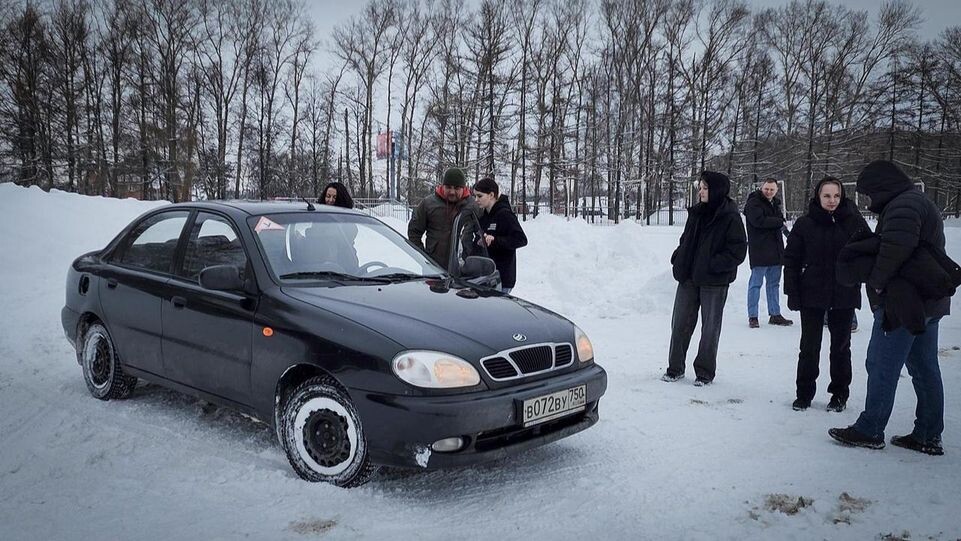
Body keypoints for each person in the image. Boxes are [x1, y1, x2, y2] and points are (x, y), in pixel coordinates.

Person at [829, 160, 951, 455]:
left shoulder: (903, 206)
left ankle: (870, 429)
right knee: (924, 368)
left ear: (882, 186)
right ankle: (927, 434)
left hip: (905, 301)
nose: (869, 200)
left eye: (869, 193)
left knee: (881, 364)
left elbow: (897, 249)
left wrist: (879, 282)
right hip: (927, 301)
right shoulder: (915, 201)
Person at [784, 177, 869, 413]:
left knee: (840, 347)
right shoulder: (804, 224)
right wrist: (792, 291)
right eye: (827, 196)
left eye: (836, 196)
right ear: (818, 197)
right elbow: (790, 260)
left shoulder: (854, 223)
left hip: (844, 294)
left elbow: (868, 253)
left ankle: (839, 394)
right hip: (812, 293)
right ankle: (804, 393)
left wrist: (855, 277)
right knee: (809, 346)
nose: (832, 201)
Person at [663, 171, 747, 386]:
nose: (700, 191)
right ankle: (675, 368)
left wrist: (714, 265)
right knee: (680, 324)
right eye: (700, 187)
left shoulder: (730, 216)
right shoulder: (696, 213)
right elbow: (685, 240)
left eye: (705, 188)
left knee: (710, 329)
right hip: (688, 277)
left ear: (716, 190)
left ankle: (704, 372)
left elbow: (737, 250)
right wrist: (678, 256)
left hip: (714, 282)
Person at [743, 178, 793, 328]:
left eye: (772, 189)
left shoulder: (775, 204)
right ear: (762, 188)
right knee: (755, 284)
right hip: (760, 250)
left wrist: (788, 235)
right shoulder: (753, 203)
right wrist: (777, 222)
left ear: (776, 190)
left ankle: (775, 314)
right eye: (767, 189)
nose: (769, 192)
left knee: (773, 284)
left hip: (776, 250)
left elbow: (781, 222)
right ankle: (753, 316)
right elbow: (758, 221)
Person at [408, 167, 480, 268]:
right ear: (442, 186)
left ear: (464, 188)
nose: (452, 191)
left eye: (456, 188)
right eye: (448, 187)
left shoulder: (473, 206)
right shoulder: (428, 204)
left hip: (465, 269)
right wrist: (424, 258)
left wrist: (474, 259)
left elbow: (482, 234)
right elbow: (414, 232)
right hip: (434, 269)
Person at [473, 177, 528, 294]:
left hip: (502, 278)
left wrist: (496, 241)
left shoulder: (504, 214)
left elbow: (521, 239)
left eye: (479, 196)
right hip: (487, 277)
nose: (476, 200)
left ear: (491, 195)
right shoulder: (485, 216)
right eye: (475, 196)